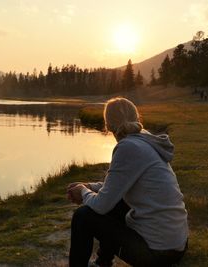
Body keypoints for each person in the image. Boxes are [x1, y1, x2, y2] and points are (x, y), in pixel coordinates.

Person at [67, 97, 189, 267]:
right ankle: (103, 263)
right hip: (175, 244)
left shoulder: (127, 147)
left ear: (108, 126)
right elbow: (117, 185)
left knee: (83, 217)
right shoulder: (144, 140)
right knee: (117, 200)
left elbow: (101, 205)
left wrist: (82, 191)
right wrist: (89, 186)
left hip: (157, 253)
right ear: (137, 118)